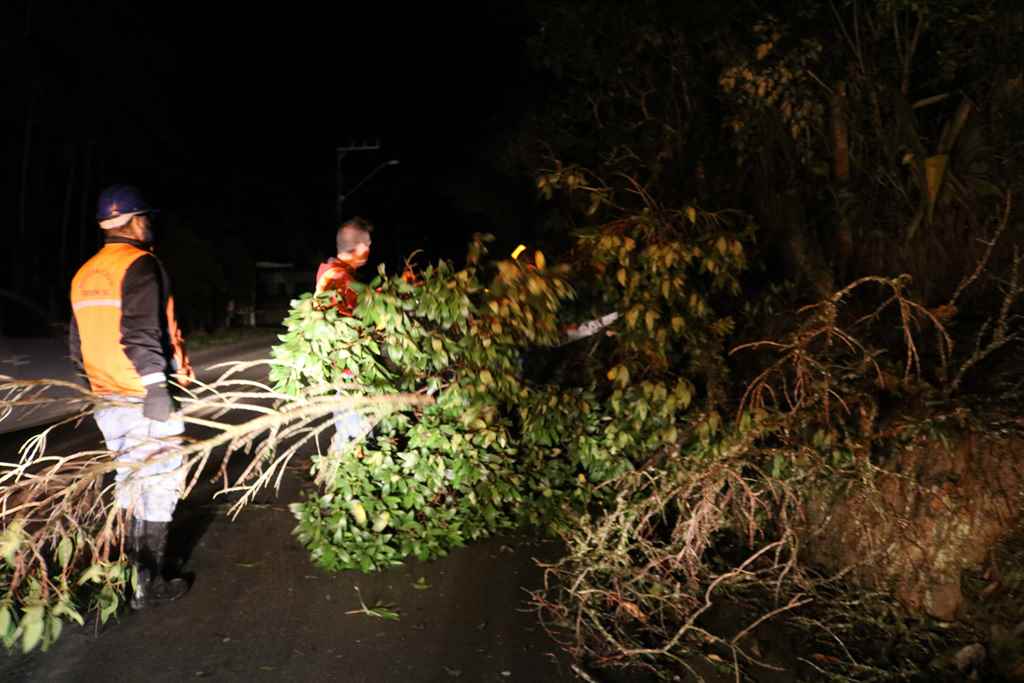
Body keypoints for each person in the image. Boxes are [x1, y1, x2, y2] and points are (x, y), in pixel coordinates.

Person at [69, 184, 194, 609]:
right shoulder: (141, 264)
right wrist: (158, 388)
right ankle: (150, 581)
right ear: (136, 220)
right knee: (158, 483)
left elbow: (76, 344)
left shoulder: (84, 274)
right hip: (144, 394)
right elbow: (140, 332)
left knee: (129, 479)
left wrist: (93, 391)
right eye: (147, 218)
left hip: (108, 397)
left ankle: (129, 573)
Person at [314, 217, 373, 452]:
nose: (369, 249)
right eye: (368, 243)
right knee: (356, 433)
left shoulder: (337, 274)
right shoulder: (338, 278)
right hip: (347, 368)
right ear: (359, 248)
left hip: (344, 368)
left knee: (349, 429)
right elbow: (349, 323)